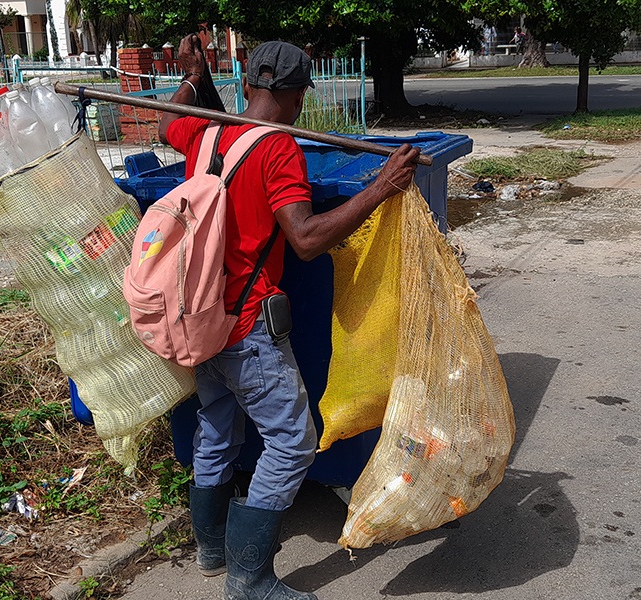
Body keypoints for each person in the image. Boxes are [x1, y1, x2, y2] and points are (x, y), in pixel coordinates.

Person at [157, 35, 418, 600]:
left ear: (248, 83)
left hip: (197, 317)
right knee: (294, 442)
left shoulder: (203, 130)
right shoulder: (279, 150)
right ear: (298, 96)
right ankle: (248, 580)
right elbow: (305, 239)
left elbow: (163, 128)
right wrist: (381, 188)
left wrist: (194, 79)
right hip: (247, 326)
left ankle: (211, 547)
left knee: (218, 426)